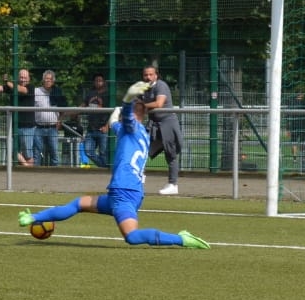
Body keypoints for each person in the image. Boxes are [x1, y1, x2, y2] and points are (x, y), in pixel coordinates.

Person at [17, 81, 209, 250]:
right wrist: (118, 112)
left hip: (124, 192)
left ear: (133, 115)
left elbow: (123, 116)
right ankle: (35, 217)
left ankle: (181, 239)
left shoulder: (131, 128)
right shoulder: (139, 132)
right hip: (126, 192)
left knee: (132, 237)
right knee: (78, 203)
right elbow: (114, 122)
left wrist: (126, 100)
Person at [0, 70, 36, 165]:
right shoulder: (11, 86)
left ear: (29, 79)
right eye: (21, 77)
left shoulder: (31, 87)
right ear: (17, 78)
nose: (22, 79)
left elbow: (21, 89)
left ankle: (28, 170)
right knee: (12, 151)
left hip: (27, 127)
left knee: (27, 154)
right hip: (14, 126)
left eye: (25, 77)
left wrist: (7, 82)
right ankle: (26, 167)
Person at [141, 63, 183, 195]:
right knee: (141, 149)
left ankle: (173, 184)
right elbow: (135, 103)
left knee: (170, 154)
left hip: (167, 123)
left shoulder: (161, 85)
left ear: (156, 75)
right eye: (145, 75)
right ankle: (138, 177)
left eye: (150, 74)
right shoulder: (143, 88)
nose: (148, 77)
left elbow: (159, 103)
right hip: (153, 124)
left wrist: (141, 107)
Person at [34, 69, 67, 166]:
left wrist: (60, 121)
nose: (48, 81)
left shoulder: (57, 92)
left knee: (54, 153)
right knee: (37, 153)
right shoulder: (36, 91)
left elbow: (63, 109)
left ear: (53, 81)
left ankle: (55, 175)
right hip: (38, 127)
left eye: (50, 79)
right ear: (43, 80)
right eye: (46, 79)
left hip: (53, 127)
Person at [79, 73, 111, 168]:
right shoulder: (90, 93)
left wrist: (107, 126)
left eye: (100, 80)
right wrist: (74, 111)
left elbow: (113, 112)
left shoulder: (108, 95)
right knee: (88, 151)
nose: (98, 82)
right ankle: (105, 168)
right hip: (91, 128)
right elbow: (83, 105)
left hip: (103, 128)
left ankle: (104, 169)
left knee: (103, 153)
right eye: (96, 80)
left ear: (104, 82)